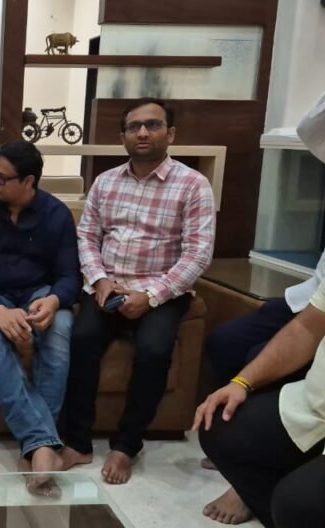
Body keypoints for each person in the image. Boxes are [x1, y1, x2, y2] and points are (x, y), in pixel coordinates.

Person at [201, 44, 325, 524]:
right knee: (231, 362)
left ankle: (298, 487)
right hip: (321, 294)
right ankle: (283, 476)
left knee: (300, 501)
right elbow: (314, 128)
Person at [62, 98, 216, 485]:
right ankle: (77, 442)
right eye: (134, 127)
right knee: (81, 338)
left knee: (154, 350)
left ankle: (126, 445)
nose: (143, 133)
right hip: (108, 286)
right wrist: (100, 280)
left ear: (171, 134)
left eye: (153, 125)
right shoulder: (105, 182)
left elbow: (198, 254)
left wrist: (151, 296)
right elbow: (87, 237)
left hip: (163, 291)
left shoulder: (193, 185)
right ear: (123, 137)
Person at [0, 140, 80, 491]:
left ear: (28, 182)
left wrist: (54, 300)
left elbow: (70, 275)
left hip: (38, 293)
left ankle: (36, 446)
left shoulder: (56, 214)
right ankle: (43, 445)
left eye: (2, 177)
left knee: (61, 328)